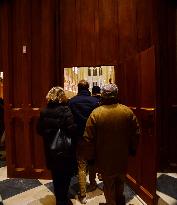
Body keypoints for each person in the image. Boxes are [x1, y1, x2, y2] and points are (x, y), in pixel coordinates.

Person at [82, 84, 140, 205]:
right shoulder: (127, 111)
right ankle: (119, 201)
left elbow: (88, 138)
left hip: (104, 157)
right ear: (116, 94)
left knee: (108, 185)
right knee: (120, 181)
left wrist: (90, 157)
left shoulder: (96, 113)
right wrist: (133, 148)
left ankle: (111, 203)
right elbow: (136, 132)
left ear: (103, 95)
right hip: (122, 155)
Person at [37, 86, 77, 205]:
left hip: (51, 149)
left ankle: (59, 199)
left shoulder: (44, 111)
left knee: (56, 175)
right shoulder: (65, 110)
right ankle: (63, 200)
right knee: (65, 175)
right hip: (64, 149)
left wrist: (49, 132)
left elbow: (39, 130)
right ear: (62, 97)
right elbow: (71, 131)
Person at [69, 80, 99, 203]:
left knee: (81, 165)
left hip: (78, 137)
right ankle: (92, 184)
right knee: (92, 162)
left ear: (78, 88)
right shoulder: (95, 101)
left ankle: (83, 194)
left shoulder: (72, 102)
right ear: (88, 88)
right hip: (92, 137)